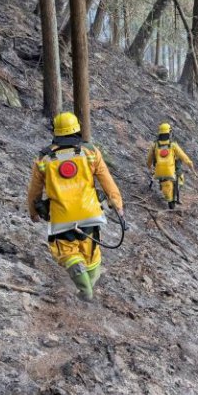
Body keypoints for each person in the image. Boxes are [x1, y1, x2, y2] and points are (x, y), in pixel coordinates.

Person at [27, 112, 125, 302]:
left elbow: (34, 192)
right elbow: (108, 182)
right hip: (90, 215)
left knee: (67, 252)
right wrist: (118, 205)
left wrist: (33, 212)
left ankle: (84, 288)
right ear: (77, 129)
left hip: (61, 219)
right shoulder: (91, 152)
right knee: (92, 253)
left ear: (55, 131)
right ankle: (88, 285)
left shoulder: (43, 159)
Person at [147, 122, 196, 209]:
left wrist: (149, 168)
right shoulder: (173, 145)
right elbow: (183, 156)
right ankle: (174, 195)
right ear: (169, 133)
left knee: (164, 184)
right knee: (180, 177)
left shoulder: (154, 145)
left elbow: (149, 160)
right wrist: (190, 164)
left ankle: (170, 198)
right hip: (170, 171)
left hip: (159, 172)